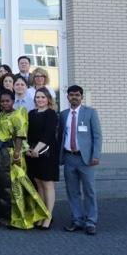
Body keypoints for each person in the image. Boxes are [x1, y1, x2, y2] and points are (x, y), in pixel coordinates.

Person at [0, 90, 49, 229]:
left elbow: (20, 135)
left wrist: (17, 154)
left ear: (13, 101)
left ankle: (21, 219)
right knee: (7, 187)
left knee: (17, 187)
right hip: (3, 154)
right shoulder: (1, 115)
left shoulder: (17, 114)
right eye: (2, 101)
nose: (5, 103)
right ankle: (11, 217)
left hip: (14, 154)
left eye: (7, 101)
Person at [60, 85, 102, 235]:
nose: (74, 97)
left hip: (86, 159)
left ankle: (91, 222)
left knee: (89, 191)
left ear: (81, 97)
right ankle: (77, 220)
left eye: (77, 95)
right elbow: (61, 136)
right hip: (69, 158)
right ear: (67, 97)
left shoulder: (90, 113)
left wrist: (96, 155)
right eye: (71, 95)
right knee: (72, 192)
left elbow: (97, 136)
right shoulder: (63, 114)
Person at [26, 87, 59, 229]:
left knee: (47, 184)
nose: (40, 100)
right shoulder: (31, 113)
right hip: (33, 153)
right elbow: (27, 133)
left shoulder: (51, 114)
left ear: (48, 100)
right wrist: (28, 149)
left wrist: (36, 150)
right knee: (38, 183)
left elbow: (47, 134)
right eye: (37, 97)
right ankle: (41, 213)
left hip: (46, 153)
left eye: (43, 97)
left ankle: (48, 216)